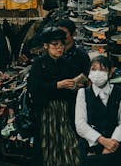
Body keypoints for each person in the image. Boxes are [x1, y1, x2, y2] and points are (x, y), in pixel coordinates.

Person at [27, 27, 83, 166]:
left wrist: (75, 86)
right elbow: (34, 89)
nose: (59, 48)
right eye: (55, 44)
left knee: (69, 146)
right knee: (48, 148)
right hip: (47, 113)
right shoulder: (39, 64)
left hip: (66, 112)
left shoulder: (67, 63)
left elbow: (72, 86)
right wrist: (57, 85)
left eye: (61, 44)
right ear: (46, 46)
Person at [75, 55, 121, 166]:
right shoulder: (83, 93)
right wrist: (102, 140)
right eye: (94, 69)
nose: (97, 73)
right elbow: (80, 124)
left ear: (110, 73)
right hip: (91, 147)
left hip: (115, 147)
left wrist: (112, 143)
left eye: (102, 69)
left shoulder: (119, 92)